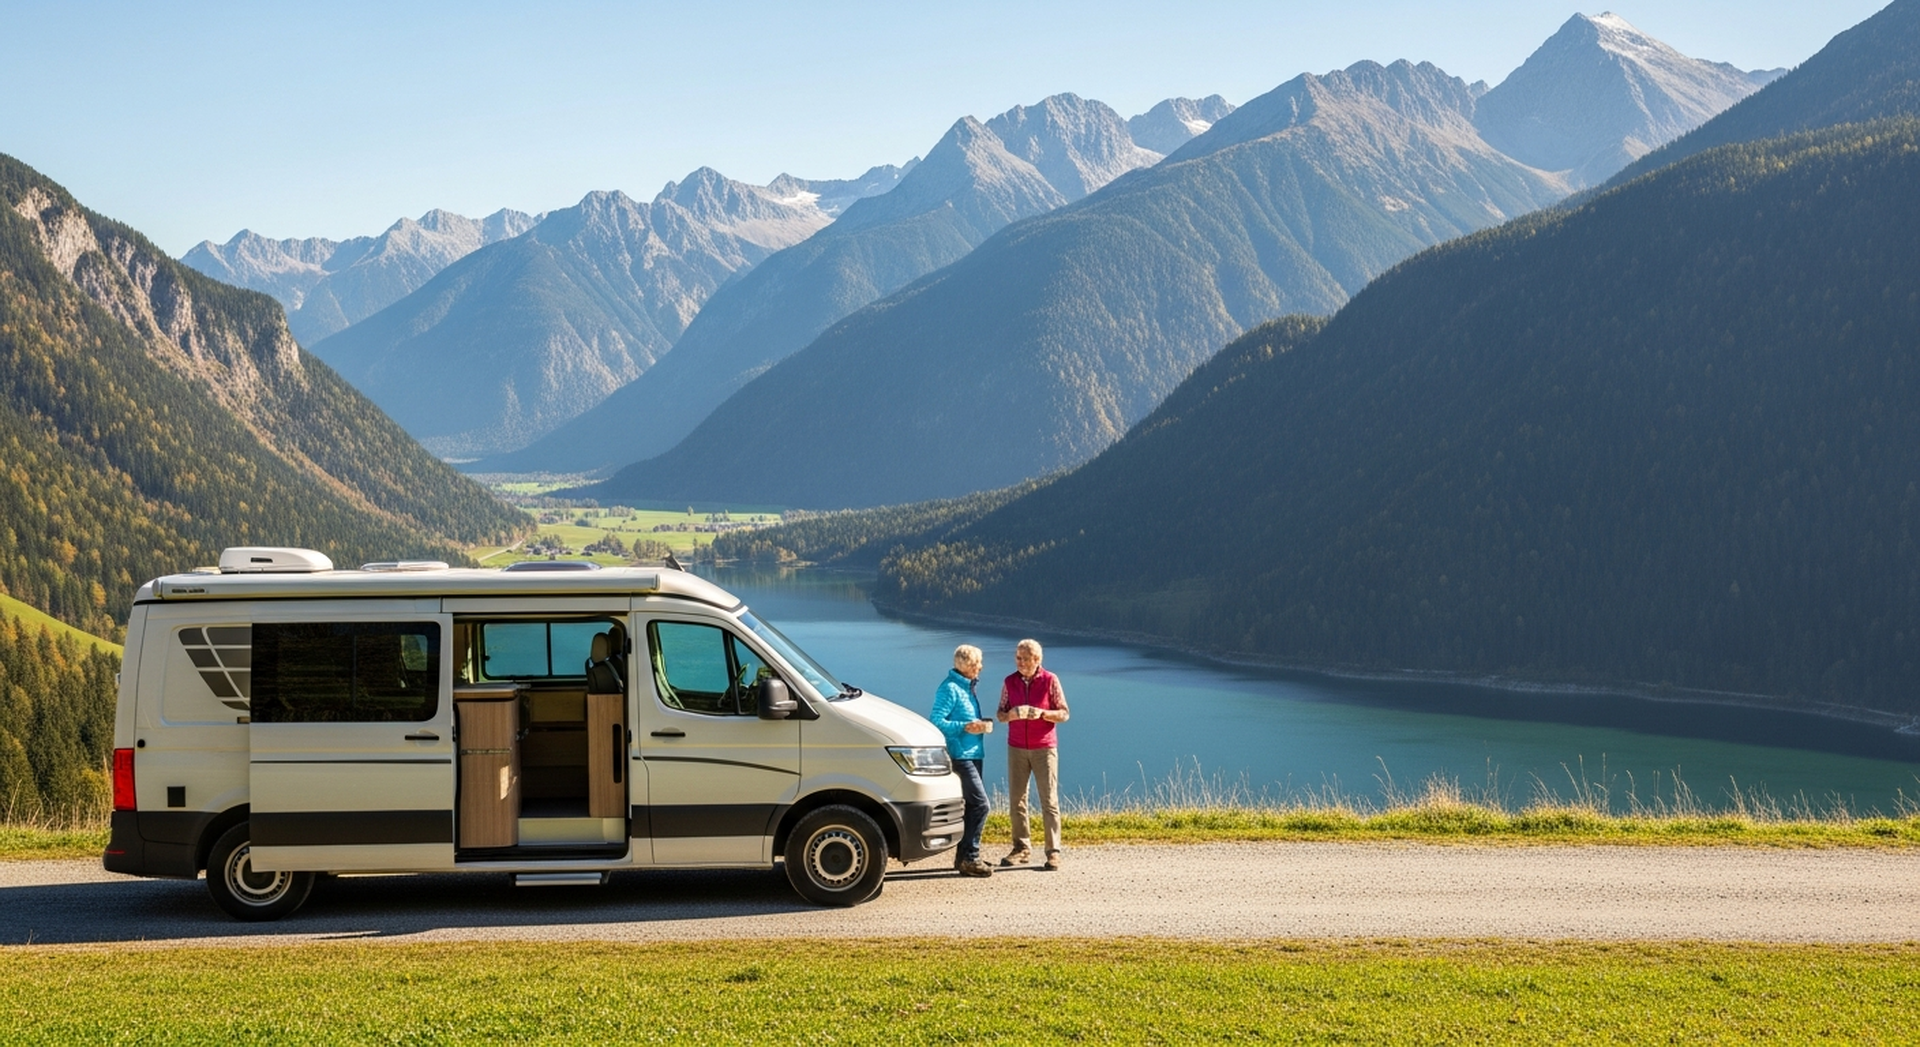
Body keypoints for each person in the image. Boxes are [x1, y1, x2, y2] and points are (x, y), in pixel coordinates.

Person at [997, 638, 1069, 871]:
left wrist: (1042, 714)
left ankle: (1053, 852)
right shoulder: (1009, 682)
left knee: (1049, 801)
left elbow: (1064, 714)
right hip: (1016, 747)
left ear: (1037, 660)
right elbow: (1000, 713)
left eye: (1025, 658)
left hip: (1044, 748)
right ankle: (1021, 848)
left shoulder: (1050, 680)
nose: (1021, 662)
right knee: (1017, 800)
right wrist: (1012, 715)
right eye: (1018, 658)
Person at [930, 644, 994, 877]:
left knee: (971, 806)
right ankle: (971, 857)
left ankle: (964, 858)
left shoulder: (967, 687)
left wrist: (975, 726)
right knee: (981, 805)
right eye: (978, 663)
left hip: (974, 754)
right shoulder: (950, 689)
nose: (981, 667)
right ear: (967, 665)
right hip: (960, 756)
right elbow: (936, 721)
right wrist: (966, 726)